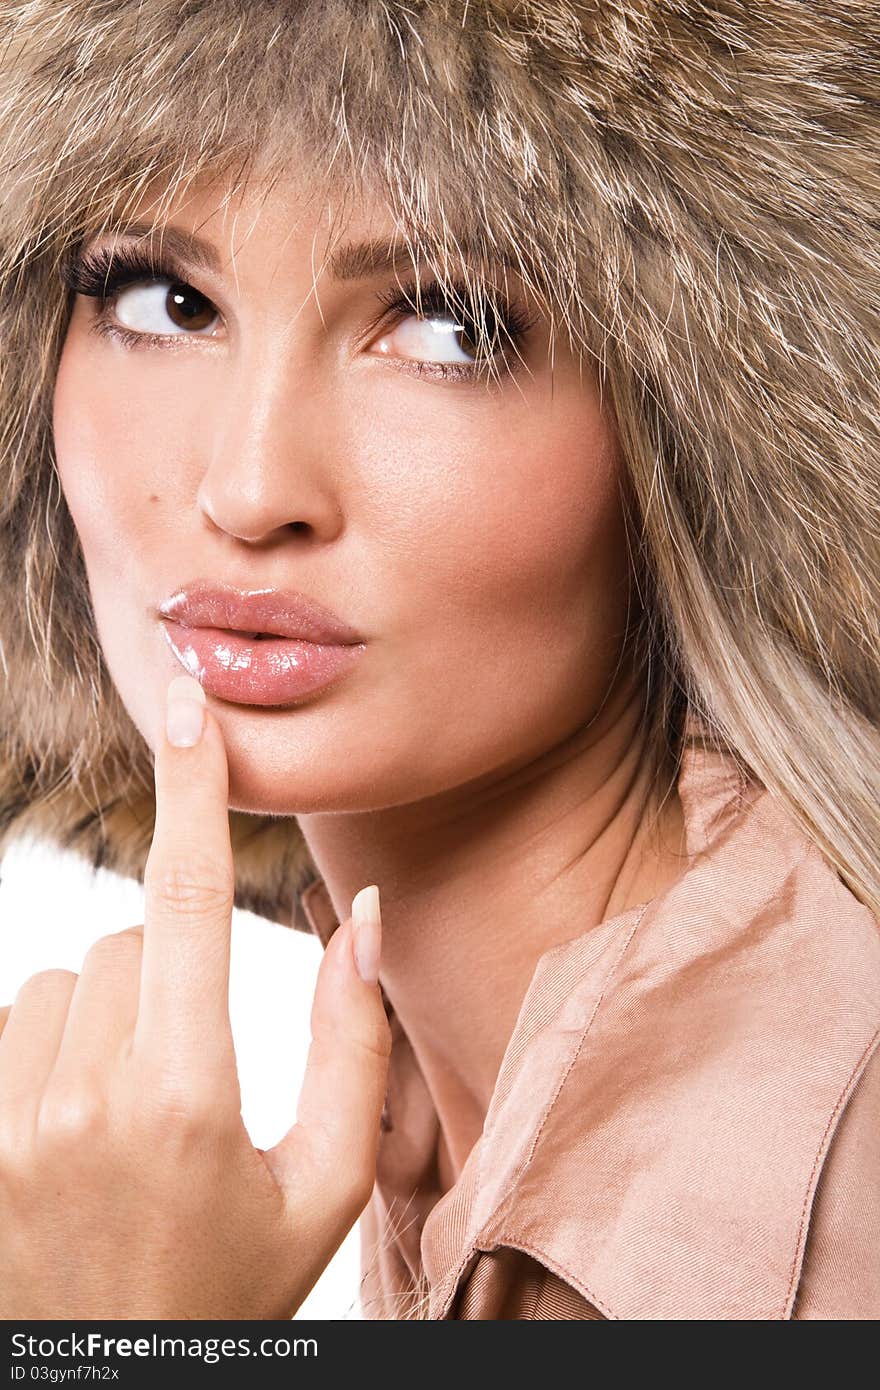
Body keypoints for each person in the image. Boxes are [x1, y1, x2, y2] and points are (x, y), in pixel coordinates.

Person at [0, 0, 877, 1320]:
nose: (248, 488)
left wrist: (121, 1341)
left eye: (448, 326)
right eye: (162, 298)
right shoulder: (449, 1121)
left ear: (698, 432)